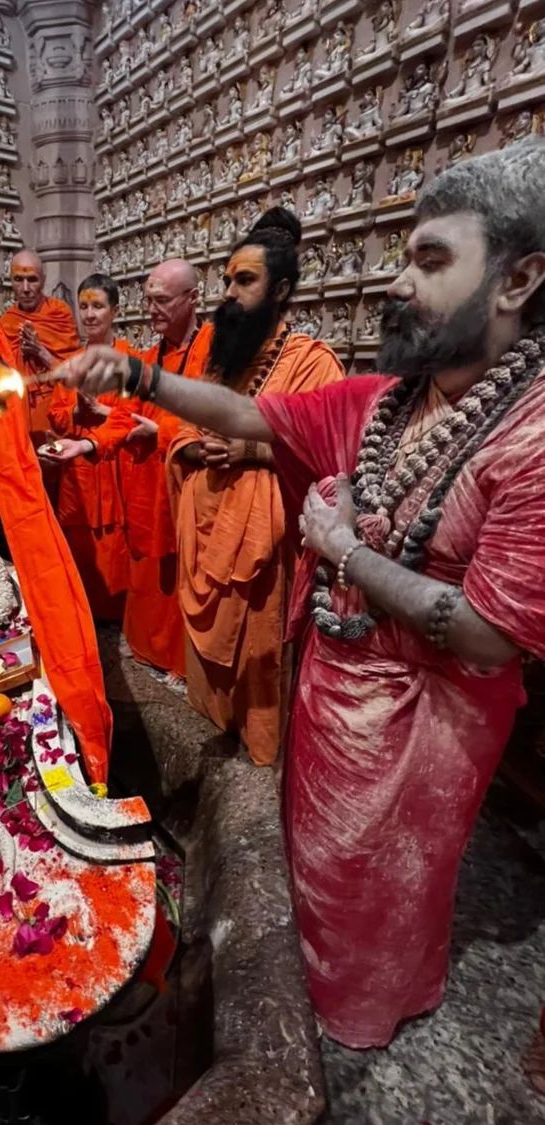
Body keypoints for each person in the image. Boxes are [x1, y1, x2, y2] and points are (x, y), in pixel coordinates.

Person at [52, 142, 545, 1050]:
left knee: (388, 886)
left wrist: (345, 552)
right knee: (314, 857)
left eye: (431, 260)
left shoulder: (531, 439)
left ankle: (366, 1010)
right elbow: (252, 417)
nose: (398, 282)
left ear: (518, 280)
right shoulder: (388, 401)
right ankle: (300, 984)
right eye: (403, 255)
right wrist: (135, 375)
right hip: (332, 687)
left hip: (427, 733)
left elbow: (486, 637)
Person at [166, 209, 344, 766]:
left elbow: (331, 456)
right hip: (209, 520)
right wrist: (197, 447)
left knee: (261, 648)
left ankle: (264, 743)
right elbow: (184, 429)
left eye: (245, 280)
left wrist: (251, 450)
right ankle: (217, 719)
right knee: (212, 659)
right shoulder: (223, 360)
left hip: (265, 542)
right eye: (226, 281)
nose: (230, 292)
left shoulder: (314, 364)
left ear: (281, 289)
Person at [96, 259, 213, 685]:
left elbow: (215, 421)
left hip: (192, 484)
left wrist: (160, 430)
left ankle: (183, 664)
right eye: (148, 300)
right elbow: (124, 416)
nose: (152, 309)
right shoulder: (148, 358)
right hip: (148, 484)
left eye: (161, 300)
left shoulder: (214, 351)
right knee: (146, 571)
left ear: (192, 299)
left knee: (185, 573)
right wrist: (90, 441)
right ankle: (146, 649)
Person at [38, 274, 132, 622]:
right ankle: (84, 611)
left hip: (117, 466)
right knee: (78, 539)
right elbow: (56, 414)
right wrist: (77, 411)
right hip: (77, 471)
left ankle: (118, 614)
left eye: (98, 306)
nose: (90, 315)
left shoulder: (131, 360)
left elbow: (137, 415)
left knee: (116, 540)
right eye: (85, 306)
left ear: (115, 311)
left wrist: (104, 413)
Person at [0, 249, 80, 449]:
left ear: (43, 280)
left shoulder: (59, 315)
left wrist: (40, 351)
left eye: (32, 280)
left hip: (54, 410)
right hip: (18, 413)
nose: (26, 288)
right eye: (19, 279)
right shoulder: (6, 323)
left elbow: (73, 374)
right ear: (11, 281)